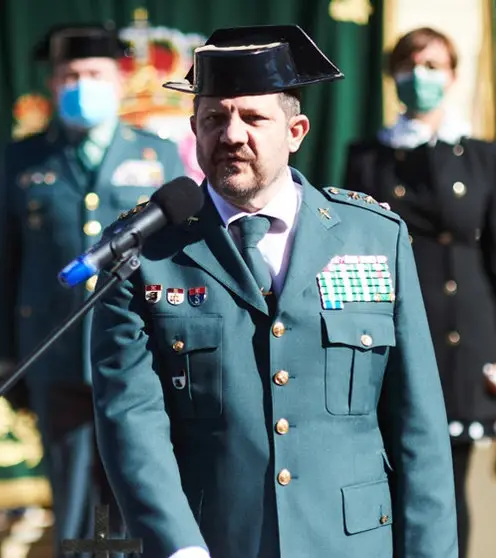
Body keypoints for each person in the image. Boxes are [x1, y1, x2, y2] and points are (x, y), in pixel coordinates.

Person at [91, 24, 458, 558]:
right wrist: (179, 546)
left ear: (296, 131)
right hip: (213, 542)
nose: (232, 135)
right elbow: (130, 420)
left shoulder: (374, 237)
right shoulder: (144, 252)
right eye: (214, 119)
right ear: (194, 130)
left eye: (254, 118)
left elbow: (418, 425)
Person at [0, 23, 185, 557]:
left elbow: (178, 256)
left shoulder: (157, 155)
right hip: (59, 356)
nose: (81, 85)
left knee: (140, 492)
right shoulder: (23, 160)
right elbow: (2, 263)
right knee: (76, 506)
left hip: (141, 356)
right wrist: (5, 356)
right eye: (70, 75)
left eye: (94, 74)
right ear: (52, 84)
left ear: (118, 81)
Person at [343, 27, 496, 558]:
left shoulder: (482, 157)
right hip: (386, 333)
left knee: (445, 482)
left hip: (461, 338)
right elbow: (347, 249)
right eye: (409, 65)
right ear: (392, 75)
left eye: (432, 66)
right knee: (386, 476)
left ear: (452, 76)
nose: (419, 76)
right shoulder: (368, 156)